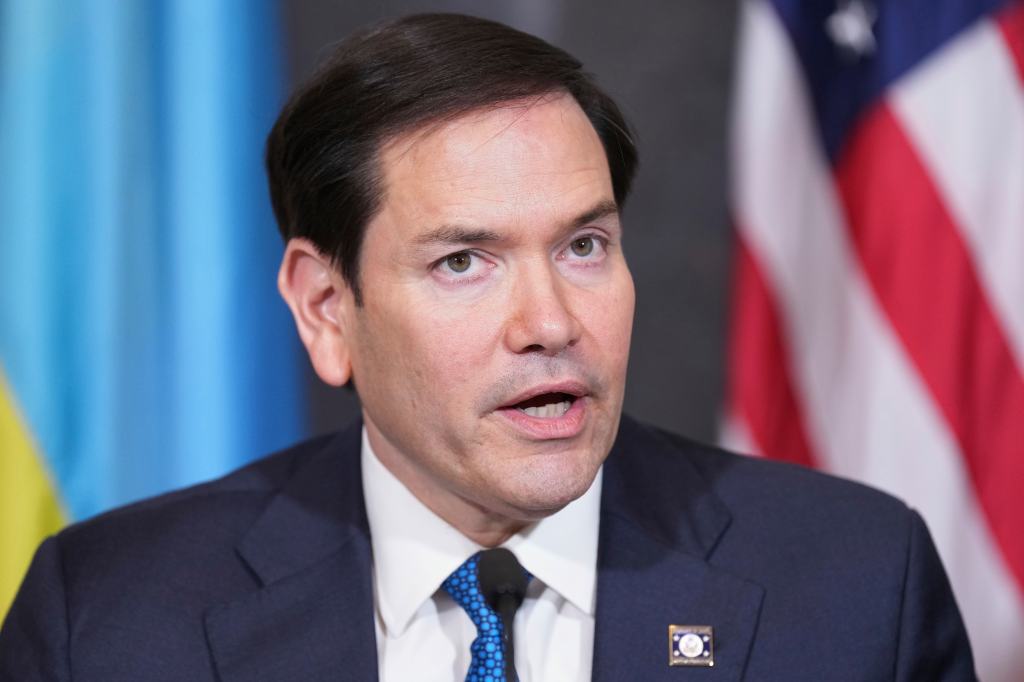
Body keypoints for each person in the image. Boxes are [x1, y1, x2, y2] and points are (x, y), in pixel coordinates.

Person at [0, 12, 975, 682]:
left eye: (584, 245)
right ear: (326, 307)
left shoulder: (852, 586)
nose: (550, 322)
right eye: (465, 260)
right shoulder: (111, 618)